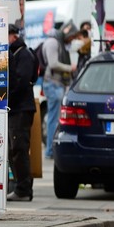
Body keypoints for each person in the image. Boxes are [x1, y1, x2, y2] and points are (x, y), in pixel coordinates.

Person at [7, 23, 36, 201]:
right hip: (16, 108)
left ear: (14, 36)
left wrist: (7, 98)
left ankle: (24, 189)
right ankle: (20, 187)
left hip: (21, 109)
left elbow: (21, 82)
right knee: (13, 149)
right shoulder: (15, 53)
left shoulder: (23, 54)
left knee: (19, 148)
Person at [42, 21, 77, 158]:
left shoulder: (58, 42)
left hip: (56, 84)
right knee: (53, 119)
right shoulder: (53, 42)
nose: (72, 40)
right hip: (53, 83)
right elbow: (53, 63)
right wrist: (70, 68)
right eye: (72, 37)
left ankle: (51, 150)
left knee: (55, 119)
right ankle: (50, 150)